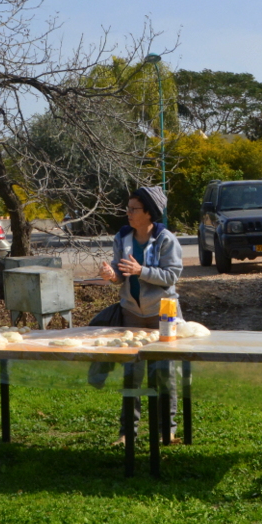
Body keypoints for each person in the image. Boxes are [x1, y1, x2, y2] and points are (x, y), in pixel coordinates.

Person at [98, 186, 183, 445]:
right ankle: (127, 433)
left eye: (134, 209)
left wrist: (141, 270)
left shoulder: (166, 239)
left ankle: (167, 429)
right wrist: (112, 275)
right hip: (131, 314)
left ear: (149, 213)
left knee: (164, 374)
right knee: (131, 374)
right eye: (128, 208)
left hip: (163, 316)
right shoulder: (122, 237)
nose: (128, 213)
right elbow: (119, 271)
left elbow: (171, 276)